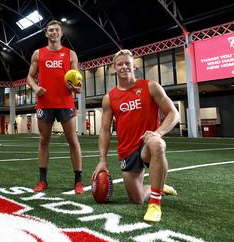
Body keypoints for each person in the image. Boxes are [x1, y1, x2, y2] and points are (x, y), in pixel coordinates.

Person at [92, 49, 179, 223]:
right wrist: (102, 160)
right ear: (114, 69)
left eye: (127, 63)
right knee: (137, 198)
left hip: (147, 142)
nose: (124, 67)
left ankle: (155, 203)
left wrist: (158, 133)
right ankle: (159, 188)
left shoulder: (150, 86)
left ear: (134, 66)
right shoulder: (109, 98)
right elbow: (104, 130)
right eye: (120, 64)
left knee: (158, 145)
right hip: (127, 150)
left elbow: (173, 113)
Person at [27, 20, 84, 194]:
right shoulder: (38, 54)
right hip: (44, 103)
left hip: (65, 103)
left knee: (72, 140)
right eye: (50, 30)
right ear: (46, 34)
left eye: (56, 30)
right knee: (44, 141)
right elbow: (29, 77)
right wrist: (36, 88)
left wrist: (76, 88)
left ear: (61, 33)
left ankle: (78, 181)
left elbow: (77, 82)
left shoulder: (70, 54)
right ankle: (42, 181)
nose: (53, 32)